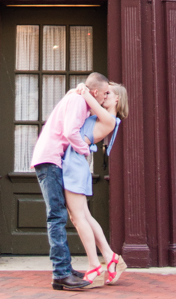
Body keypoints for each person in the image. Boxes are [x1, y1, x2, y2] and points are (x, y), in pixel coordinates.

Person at [31, 71, 111, 291]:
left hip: (50, 159)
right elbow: (69, 131)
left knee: (57, 215)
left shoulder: (77, 99)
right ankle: (61, 273)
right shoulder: (78, 100)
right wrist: (85, 150)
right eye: (105, 93)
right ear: (95, 92)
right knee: (56, 216)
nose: (105, 98)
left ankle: (64, 269)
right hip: (50, 160)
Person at [63, 82, 129, 287]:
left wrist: (84, 88)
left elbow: (87, 98)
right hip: (74, 163)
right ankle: (110, 257)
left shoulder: (110, 119)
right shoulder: (99, 114)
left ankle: (94, 265)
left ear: (117, 99)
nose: (105, 95)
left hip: (76, 165)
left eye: (109, 93)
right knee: (83, 217)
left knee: (78, 217)